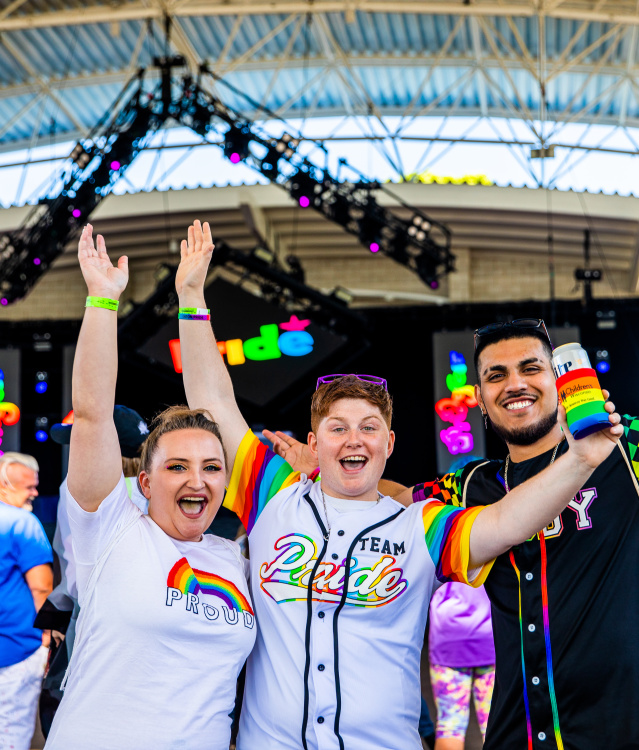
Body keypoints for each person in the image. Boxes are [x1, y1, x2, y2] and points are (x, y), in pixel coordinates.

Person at [175, 220, 622, 750]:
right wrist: (190, 297)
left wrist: (580, 462)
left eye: (368, 429)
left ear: (389, 444)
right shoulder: (271, 492)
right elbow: (214, 403)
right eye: (337, 429)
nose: (352, 441)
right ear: (313, 444)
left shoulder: (421, 524)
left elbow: (505, 521)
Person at [44, 225, 256, 750]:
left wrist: (193, 298)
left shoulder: (237, 560)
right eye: (177, 467)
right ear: (144, 480)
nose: (196, 480)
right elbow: (93, 415)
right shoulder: (110, 529)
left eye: (211, 467)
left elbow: (219, 402)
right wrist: (100, 300)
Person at [407, 318, 639, 750]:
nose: (515, 384)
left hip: (618, 731)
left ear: (557, 378)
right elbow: (398, 500)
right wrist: (319, 466)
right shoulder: (469, 485)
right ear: (479, 399)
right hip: (517, 734)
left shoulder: (623, 447)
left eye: (531, 368)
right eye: (496, 375)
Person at [427, 456, 495, 750]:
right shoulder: (493, 527)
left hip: (448, 643)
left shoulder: (437, 528)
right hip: (490, 643)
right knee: (494, 725)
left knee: (449, 723)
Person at [0, 452, 53, 750]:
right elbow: (41, 588)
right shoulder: (23, 523)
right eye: (28, 486)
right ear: (5, 483)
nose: (34, 493)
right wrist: (47, 638)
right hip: (17, 649)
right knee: (11, 737)